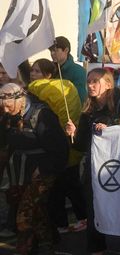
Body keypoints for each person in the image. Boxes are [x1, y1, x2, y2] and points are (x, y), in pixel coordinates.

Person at [67, 68, 120, 255]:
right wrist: (73, 133)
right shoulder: (88, 110)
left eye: (95, 81)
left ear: (108, 84)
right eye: (88, 81)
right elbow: (80, 146)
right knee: (94, 214)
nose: (90, 85)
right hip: (94, 171)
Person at [1, 83, 68, 255]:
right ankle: (48, 250)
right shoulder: (8, 116)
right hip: (19, 172)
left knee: (24, 215)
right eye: (3, 106)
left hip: (41, 172)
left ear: (20, 100)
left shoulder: (42, 115)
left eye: (9, 106)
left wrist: (43, 168)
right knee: (36, 212)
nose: (6, 110)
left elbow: (61, 150)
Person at [27, 59, 88, 235]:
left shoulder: (44, 89)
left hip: (62, 146)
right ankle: (70, 220)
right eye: (32, 70)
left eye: (38, 71)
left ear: (48, 75)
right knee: (66, 186)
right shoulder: (64, 87)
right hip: (68, 145)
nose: (33, 74)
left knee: (65, 187)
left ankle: (73, 220)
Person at [49, 36, 87, 102]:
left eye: (55, 50)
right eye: (51, 51)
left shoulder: (78, 71)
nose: (52, 54)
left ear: (66, 50)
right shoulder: (48, 68)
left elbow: (79, 97)